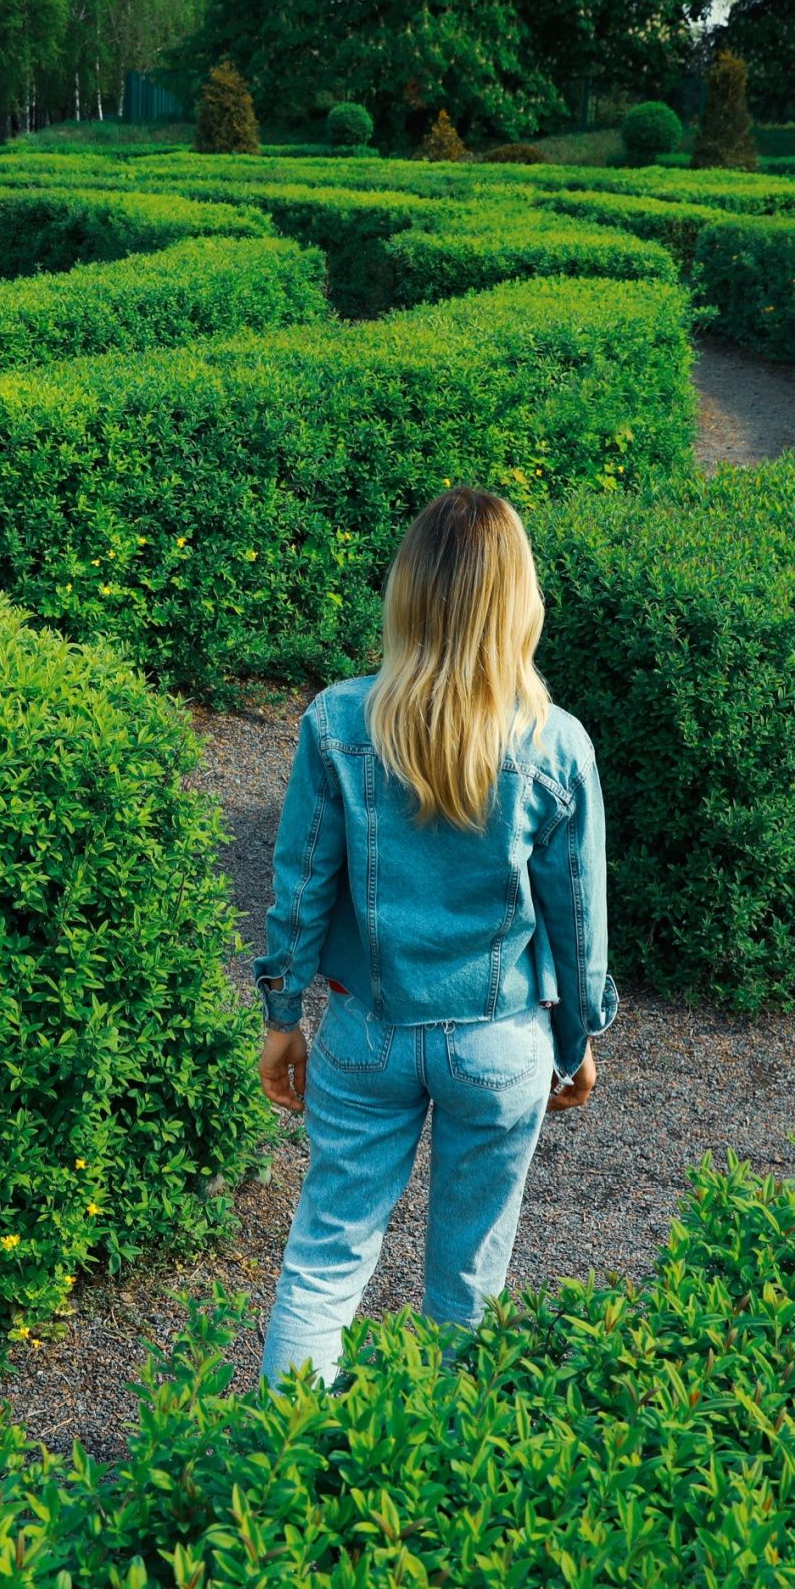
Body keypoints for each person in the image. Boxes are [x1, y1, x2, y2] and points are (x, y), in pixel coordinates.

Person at [254, 486, 615, 1389]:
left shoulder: (338, 722)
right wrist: (576, 1041)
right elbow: (578, 921)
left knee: (325, 1260)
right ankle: (440, 1488)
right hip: (500, 1041)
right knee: (468, 1283)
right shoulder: (556, 743)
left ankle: (278, 1474)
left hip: (368, 1032)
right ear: (519, 601)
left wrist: (281, 1015)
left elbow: (299, 887)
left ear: (405, 593)